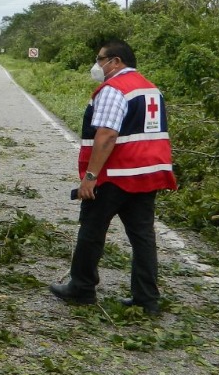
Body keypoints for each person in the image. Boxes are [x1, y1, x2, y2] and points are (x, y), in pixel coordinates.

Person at [49, 40, 177, 315]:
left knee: (92, 230)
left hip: (115, 175)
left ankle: (81, 288)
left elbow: (106, 135)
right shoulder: (150, 89)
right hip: (146, 174)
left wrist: (90, 177)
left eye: (100, 59)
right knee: (143, 237)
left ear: (115, 61)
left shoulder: (114, 89)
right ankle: (147, 300)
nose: (97, 65)